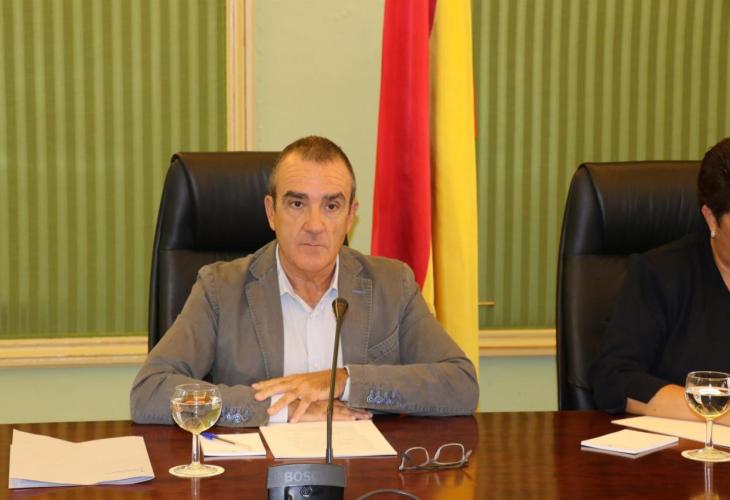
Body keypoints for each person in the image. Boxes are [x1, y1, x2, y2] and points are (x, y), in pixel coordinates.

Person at [130, 136, 479, 427]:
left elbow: (461, 385)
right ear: (271, 212)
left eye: (331, 206)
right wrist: (281, 408)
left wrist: (343, 381)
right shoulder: (220, 289)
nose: (314, 225)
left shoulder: (392, 284)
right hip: (256, 476)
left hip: (364, 475)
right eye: (297, 204)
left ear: (350, 216)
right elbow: (149, 393)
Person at [590, 137, 730, 421]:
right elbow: (614, 378)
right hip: (683, 445)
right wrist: (718, 413)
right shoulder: (660, 275)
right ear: (710, 218)